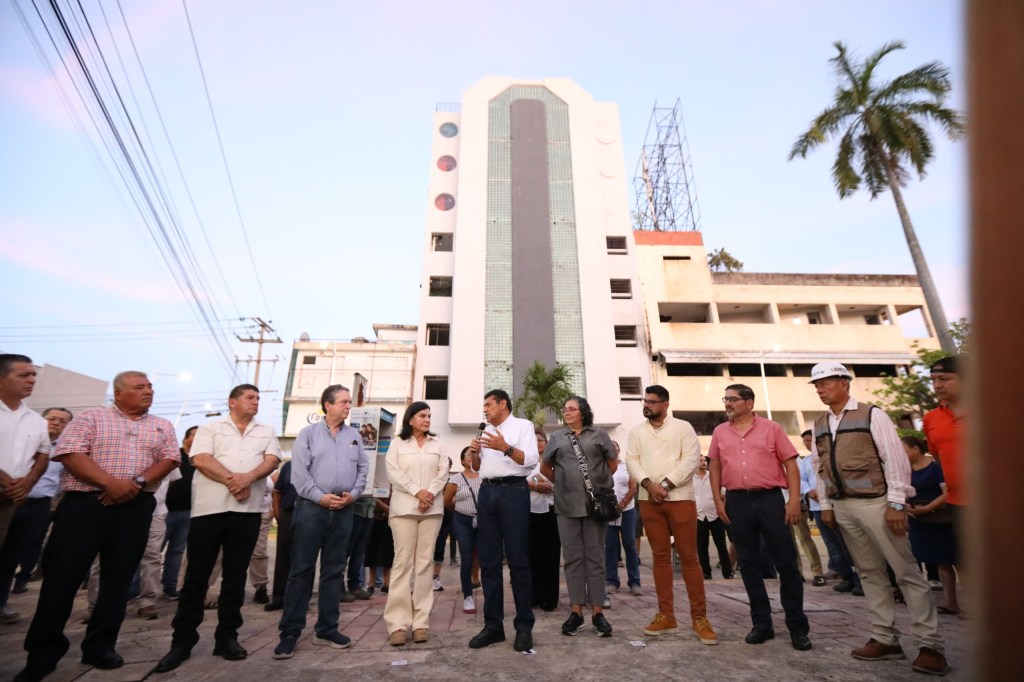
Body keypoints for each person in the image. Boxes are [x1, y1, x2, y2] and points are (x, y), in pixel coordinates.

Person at [16, 371, 179, 682]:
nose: (148, 391)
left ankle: (101, 646)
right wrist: (110, 483)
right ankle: (43, 654)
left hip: (135, 506)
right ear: (119, 393)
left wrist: (135, 483)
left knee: (117, 581)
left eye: (150, 387)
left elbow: (170, 459)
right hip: (84, 505)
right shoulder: (91, 417)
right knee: (61, 579)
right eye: (139, 387)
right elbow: (68, 452)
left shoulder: (162, 425)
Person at [810, 362, 946, 675]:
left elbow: (894, 459)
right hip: (844, 507)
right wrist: (828, 504)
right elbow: (821, 468)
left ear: (844, 382)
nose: (819, 389)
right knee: (869, 573)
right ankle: (885, 638)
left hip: (877, 503)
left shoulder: (872, 414)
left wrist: (897, 503)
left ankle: (931, 645)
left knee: (906, 572)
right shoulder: (819, 423)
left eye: (825, 382)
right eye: (816, 385)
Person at [156, 384, 282, 673]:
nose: (256, 402)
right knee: (196, 578)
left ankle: (227, 637)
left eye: (258, 398)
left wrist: (248, 477)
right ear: (232, 401)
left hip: (247, 512)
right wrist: (233, 481)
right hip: (209, 511)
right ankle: (182, 641)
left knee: (235, 578)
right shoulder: (211, 428)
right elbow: (200, 459)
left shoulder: (265, 430)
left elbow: (272, 460)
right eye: (250, 398)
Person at [708, 383, 811, 651]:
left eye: (733, 399)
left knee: (786, 562)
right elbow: (715, 464)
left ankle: (797, 626)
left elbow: (790, 463)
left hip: (770, 500)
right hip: (737, 501)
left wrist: (794, 500)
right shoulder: (720, 432)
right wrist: (718, 499)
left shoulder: (772, 428)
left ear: (749, 403)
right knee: (748, 563)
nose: (728, 404)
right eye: (726, 399)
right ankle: (761, 623)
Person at [272, 385, 368, 659]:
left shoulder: (354, 436)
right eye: (343, 402)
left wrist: (354, 494)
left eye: (349, 402)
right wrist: (321, 498)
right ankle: (289, 633)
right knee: (301, 570)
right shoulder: (308, 435)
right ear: (327, 405)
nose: (348, 406)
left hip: (344, 508)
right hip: (312, 509)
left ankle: (327, 629)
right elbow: (299, 476)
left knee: (334, 571)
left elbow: (363, 468)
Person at [625, 385, 718, 645]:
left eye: (653, 402)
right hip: (648, 500)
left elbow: (690, 460)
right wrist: (648, 484)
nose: (647, 405)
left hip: (680, 499)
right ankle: (666, 615)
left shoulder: (683, 427)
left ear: (665, 404)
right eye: (645, 401)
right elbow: (631, 461)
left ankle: (699, 618)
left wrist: (664, 485)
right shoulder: (636, 432)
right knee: (660, 557)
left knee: (689, 557)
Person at [467, 389, 539, 652]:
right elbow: (476, 467)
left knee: (518, 560)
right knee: (488, 562)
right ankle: (493, 626)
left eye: (488, 404)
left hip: (513, 491)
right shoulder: (484, 429)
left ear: (503, 404)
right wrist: (475, 452)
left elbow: (531, 461)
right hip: (487, 492)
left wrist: (505, 447)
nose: (484, 409)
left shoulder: (523, 426)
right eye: (483, 405)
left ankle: (523, 627)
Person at [541, 396, 617, 637]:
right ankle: (576, 612)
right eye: (565, 409)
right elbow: (545, 468)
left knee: (595, 558)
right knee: (573, 559)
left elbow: (612, 464)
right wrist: (563, 484)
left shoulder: (600, 435)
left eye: (572, 409)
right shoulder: (557, 437)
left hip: (596, 507)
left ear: (583, 412)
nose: (567, 412)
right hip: (566, 506)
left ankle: (597, 613)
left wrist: (597, 484)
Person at [383, 401, 453, 646]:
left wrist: (429, 494)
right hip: (404, 510)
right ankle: (398, 624)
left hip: (431, 510)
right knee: (402, 564)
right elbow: (394, 473)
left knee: (424, 565)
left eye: (429, 416)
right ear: (410, 418)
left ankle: (421, 622)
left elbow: (443, 472)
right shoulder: (396, 444)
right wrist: (417, 492)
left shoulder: (438, 444)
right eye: (422, 415)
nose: (427, 420)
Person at [0, 407, 69, 624]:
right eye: (52, 418)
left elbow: (64, 481)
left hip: (38, 507)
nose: (56, 423)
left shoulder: (63, 452)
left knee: (13, 555)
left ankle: (2, 603)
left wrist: (54, 503)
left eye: (63, 421)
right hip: (7, 500)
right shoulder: (21, 440)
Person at [901, 436, 959, 615]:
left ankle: (952, 601)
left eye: (904, 449)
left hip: (938, 519)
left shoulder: (935, 467)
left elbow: (946, 492)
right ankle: (920, 602)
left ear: (915, 449)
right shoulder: (905, 471)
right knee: (916, 558)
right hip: (916, 520)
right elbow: (898, 494)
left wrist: (927, 508)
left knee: (945, 561)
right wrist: (904, 508)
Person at [800, 430, 862, 596]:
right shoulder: (806, 461)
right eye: (805, 441)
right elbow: (801, 479)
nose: (808, 443)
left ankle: (860, 580)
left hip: (836, 505)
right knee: (832, 545)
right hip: (817, 507)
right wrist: (808, 491)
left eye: (810, 440)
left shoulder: (833, 457)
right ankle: (846, 577)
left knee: (848, 543)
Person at [0, 355, 50, 550]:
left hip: (7, 503)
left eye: (33, 375)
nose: (32, 380)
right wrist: (5, 480)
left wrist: (29, 481)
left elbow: (43, 454)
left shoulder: (37, 420)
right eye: (24, 375)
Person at [922, 357, 966, 566]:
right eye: (933, 379)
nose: (937, 385)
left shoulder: (993, 410)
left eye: (944, 379)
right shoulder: (931, 418)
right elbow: (938, 456)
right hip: (958, 502)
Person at [445, 446, 481, 614]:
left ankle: (488, 591)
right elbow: (447, 502)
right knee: (466, 558)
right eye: (467, 454)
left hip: (483, 521)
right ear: (462, 460)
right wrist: (461, 512)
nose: (471, 456)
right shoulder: (456, 479)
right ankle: (468, 596)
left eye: (473, 454)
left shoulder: (485, 477)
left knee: (484, 558)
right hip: (463, 521)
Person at [162, 426, 197, 600]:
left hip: (188, 512)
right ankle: (135, 587)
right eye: (194, 436)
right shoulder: (175, 457)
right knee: (152, 551)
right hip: (166, 511)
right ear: (185, 439)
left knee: (177, 551)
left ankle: (170, 585)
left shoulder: (200, 460)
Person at [604, 441, 642, 601]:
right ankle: (612, 581)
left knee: (630, 544)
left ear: (619, 450)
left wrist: (622, 504)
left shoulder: (627, 466)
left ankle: (635, 582)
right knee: (610, 547)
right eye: (609, 447)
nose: (613, 449)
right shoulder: (602, 468)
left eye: (615, 447)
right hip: (608, 513)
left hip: (626, 511)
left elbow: (633, 487)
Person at [527, 428, 560, 612]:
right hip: (530, 511)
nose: (538, 442)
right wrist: (536, 484)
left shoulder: (555, 461)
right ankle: (533, 596)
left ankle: (549, 598)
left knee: (551, 555)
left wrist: (548, 482)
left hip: (551, 511)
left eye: (541, 439)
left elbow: (563, 482)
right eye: (535, 440)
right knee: (532, 555)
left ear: (547, 443)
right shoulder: (524, 461)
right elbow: (518, 481)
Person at [693, 456, 733, 580]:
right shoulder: (690, 479)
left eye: (705, 460)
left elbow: (724, 493)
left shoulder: (713, 476)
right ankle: (705, 572)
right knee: (701, 546)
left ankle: (728, 571)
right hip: (699, 516)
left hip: (714, 514)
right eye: (700, 460)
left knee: (721, 545)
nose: (704, 462)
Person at [265, 459, 297, 612]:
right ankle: (278, 597)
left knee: (304, 558)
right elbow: (277, 492)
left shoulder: (318, 464)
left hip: (309, 514)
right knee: (283, 557)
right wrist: (278, 513)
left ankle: (300, 598)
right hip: (288, 514)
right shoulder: (288, 466)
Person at [792, 445, 826, 586]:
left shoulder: (792, 457)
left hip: (795, 504)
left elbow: (799, 478)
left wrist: (799, 499)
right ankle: (796, 572)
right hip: (776, 504)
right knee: (788, 542)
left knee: (805, 539)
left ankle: (817, 572)